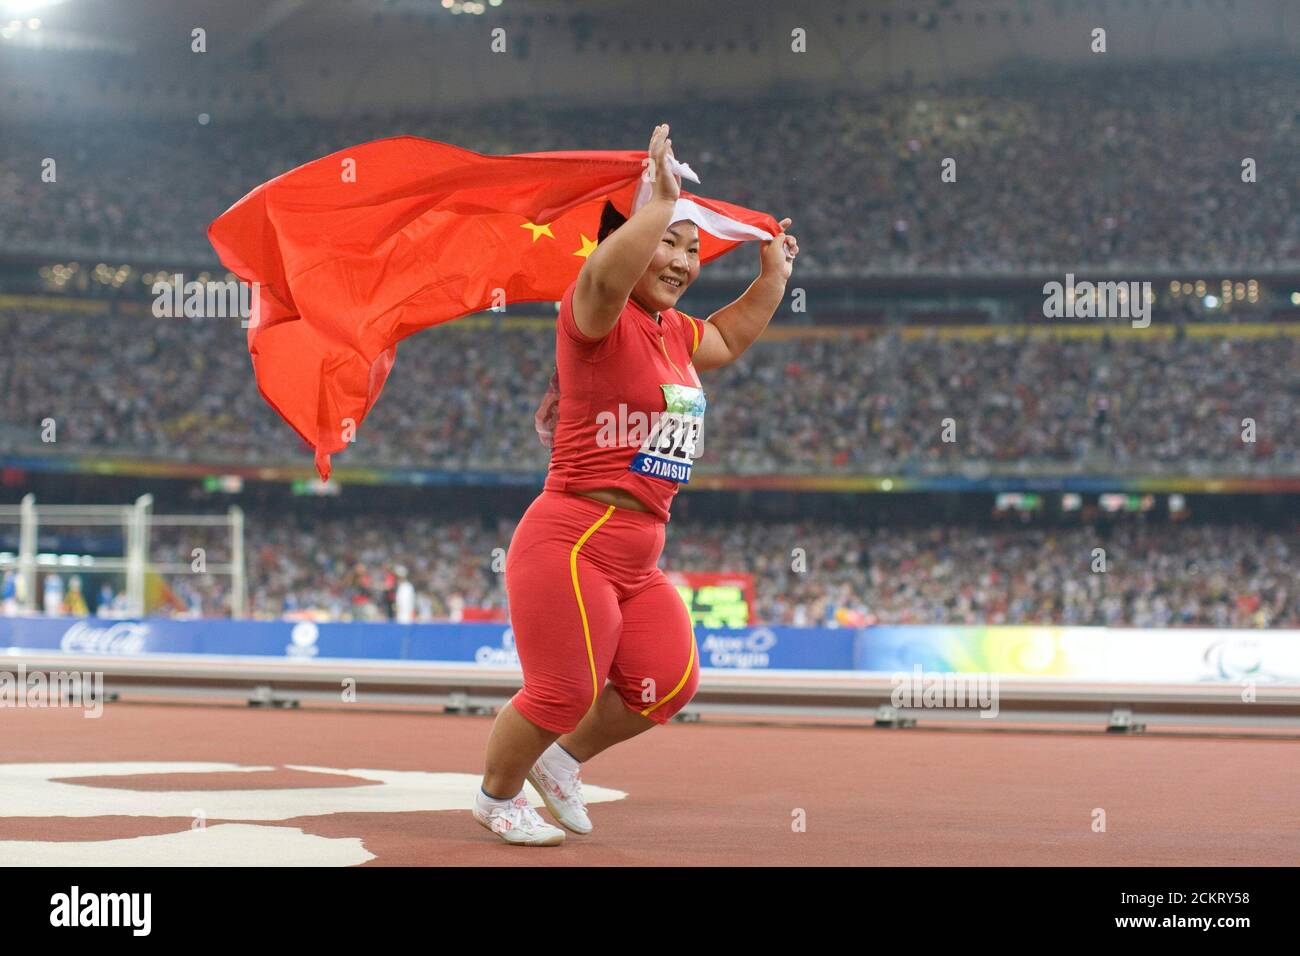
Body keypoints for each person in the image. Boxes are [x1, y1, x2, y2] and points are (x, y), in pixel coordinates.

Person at [472, 124, 798, 845]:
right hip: (573, 536)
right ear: (631, 236)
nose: (684, 260)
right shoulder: (596, 317)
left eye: (693, 248)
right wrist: (661, 198)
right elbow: (599, 277)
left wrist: (771, 276)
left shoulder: (675, 334)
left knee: (664, 681)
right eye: (669, 240)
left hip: (639, 551)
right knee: (562, 690)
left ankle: (557, 763)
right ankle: (496, 797)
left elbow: (731, 336)